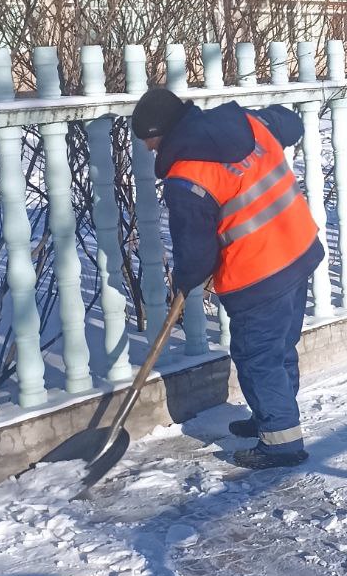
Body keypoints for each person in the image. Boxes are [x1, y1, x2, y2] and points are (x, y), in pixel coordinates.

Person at [131, 87, 324, 469]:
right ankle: (271, 417)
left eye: (149, 140)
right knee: (278, 347)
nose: (149, 149)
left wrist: (185, 280)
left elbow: (197, 253)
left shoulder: (186, 177)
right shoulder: (248, 123)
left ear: (163, 132)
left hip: (258, 273)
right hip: (297, 249)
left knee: (258, 357)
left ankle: (282, 442)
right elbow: (291, 122)